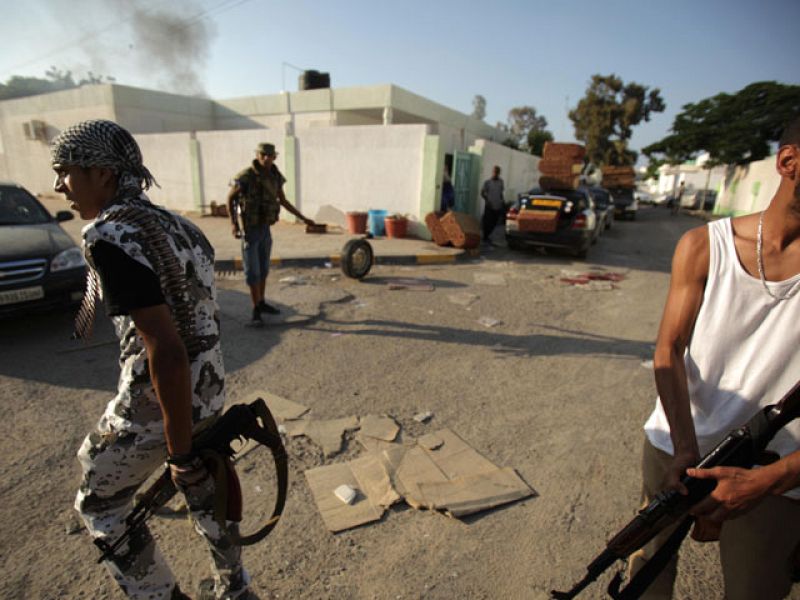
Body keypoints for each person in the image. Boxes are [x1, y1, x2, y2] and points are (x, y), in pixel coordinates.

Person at [52, 120, 251, 600]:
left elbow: (165, 345)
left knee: (99, 504)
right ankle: (237, 588)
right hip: (207, 392)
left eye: (65, 172)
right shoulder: (184, 227)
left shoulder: (110, 233)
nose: (59, 186)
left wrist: (177, 449)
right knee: (205, 493)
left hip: (156, 402)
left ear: (101, 172)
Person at [627, 117, 800, 599]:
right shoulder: (704, 246)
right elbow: (668, 349)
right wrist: (684, 447)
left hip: (779, 475)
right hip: (675, 449)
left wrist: (766, 480)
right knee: (646, 577)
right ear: (789, 162)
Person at [227, 143, 314, 326]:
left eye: (270, 155)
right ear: (258, 155)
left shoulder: (274, 176)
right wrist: (234, 224)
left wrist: (304, 219)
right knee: (253, 272)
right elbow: (230, 198)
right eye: (263, 154)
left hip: (265, 229)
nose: (267, 158)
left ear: (275, 157)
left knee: (264, 269)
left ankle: (262, 302)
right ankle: (256, 310)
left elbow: (283, 200)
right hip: (250, 230)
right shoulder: (246, 176)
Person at [480, 165, 505, 245]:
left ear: (499, 173)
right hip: (489, 206)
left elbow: (501, 193)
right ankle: (485, 237)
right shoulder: (487, 182)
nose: (495, 173)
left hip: (497, 205)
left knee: (495, 222)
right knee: (487, 222)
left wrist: (502, 201)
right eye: (494, 171)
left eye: (497, 172)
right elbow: (482, 193)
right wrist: (487, 200)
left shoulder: (501, 182)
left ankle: (488, 235)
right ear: (492, 172)